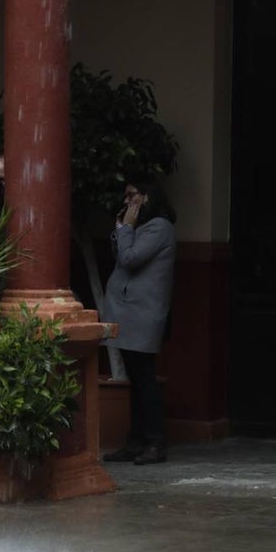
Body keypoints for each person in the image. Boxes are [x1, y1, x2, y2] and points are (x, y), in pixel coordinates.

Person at [100, 177, 177, 466]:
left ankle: (155, 442)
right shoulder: (142, 228)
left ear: (147, 197)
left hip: (142, 313)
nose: (126, 201)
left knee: (145, 379)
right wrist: (124, 229)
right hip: (128, 312)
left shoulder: (159, 226)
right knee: (137, 379)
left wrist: (127, 228)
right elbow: (121, 255)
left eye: (132, 195)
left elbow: (130, 258)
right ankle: (136, 441)